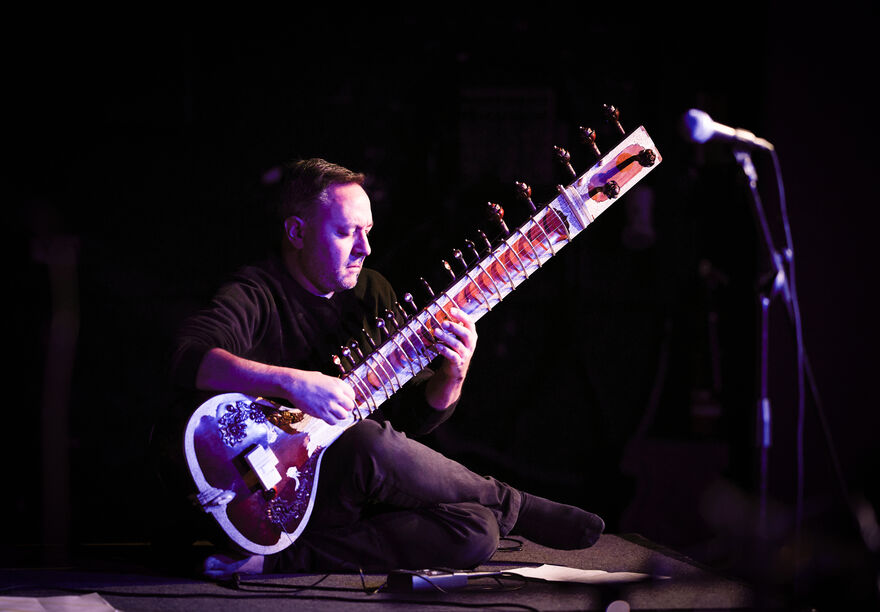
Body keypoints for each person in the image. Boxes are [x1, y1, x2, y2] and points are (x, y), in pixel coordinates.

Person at [166, 158, 604, 577]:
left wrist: (452, 376)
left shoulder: (371, 291)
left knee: (476, 531)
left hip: (349, 496)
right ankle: (511, 502)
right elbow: (187, 358)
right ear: (297, 232)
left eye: (368, 231)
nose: (365, 248)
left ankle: (276, 562)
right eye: (346, 232)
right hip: (268, 488)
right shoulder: (256, 292)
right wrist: (295, 384)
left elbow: (412, 421)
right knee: (368, 442)